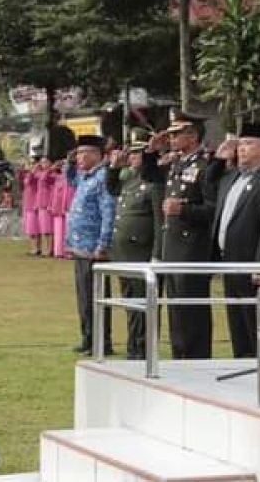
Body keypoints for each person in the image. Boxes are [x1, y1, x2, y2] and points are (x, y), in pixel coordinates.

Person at [207, 123, 260, 359]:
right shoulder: (231, 178)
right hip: (227, 261)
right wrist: (220, 158)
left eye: (248, 144)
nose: (241, 149)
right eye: (240, 144)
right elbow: (207, 183)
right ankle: (241, 363)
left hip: (250, 262)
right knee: (236, 322)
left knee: (255, 322)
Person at [157, 112, 216, 360]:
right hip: (173, 248)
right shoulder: (177, 165)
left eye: (175, 134)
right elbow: (150, 174)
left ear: (192, 136)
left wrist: (184, 210)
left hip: (193, 248)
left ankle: (195, 357)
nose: (171, 139)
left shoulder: (205, 166)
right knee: (176, 310)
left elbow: (213, 208)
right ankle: (179, 354)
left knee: (192, 310)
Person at [106, 132, 159, 360]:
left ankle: (142, 348)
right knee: (130, 304)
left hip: (141, 253)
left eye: (137, 154)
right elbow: (111, 188)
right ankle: (133, 346)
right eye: (131, 154)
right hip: (123, 254)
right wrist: (113, 167)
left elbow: (158, 221)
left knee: (142, 304)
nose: (132, 158)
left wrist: (156, 254)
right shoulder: (128, 178)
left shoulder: (153, 182)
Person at [65, 135, 115, 356]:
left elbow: (108, 212)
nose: (79, 157)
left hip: (93, 246)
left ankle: (101, 341)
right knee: (84, 297)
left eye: (85, 153)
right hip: (79, 246)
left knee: (95, 296)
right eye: (78, 153)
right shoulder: (85, 177)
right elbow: (71, 179)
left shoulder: (103, 178)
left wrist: (103, 244)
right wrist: (69, 162)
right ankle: (87, 337)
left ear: (97, 155)